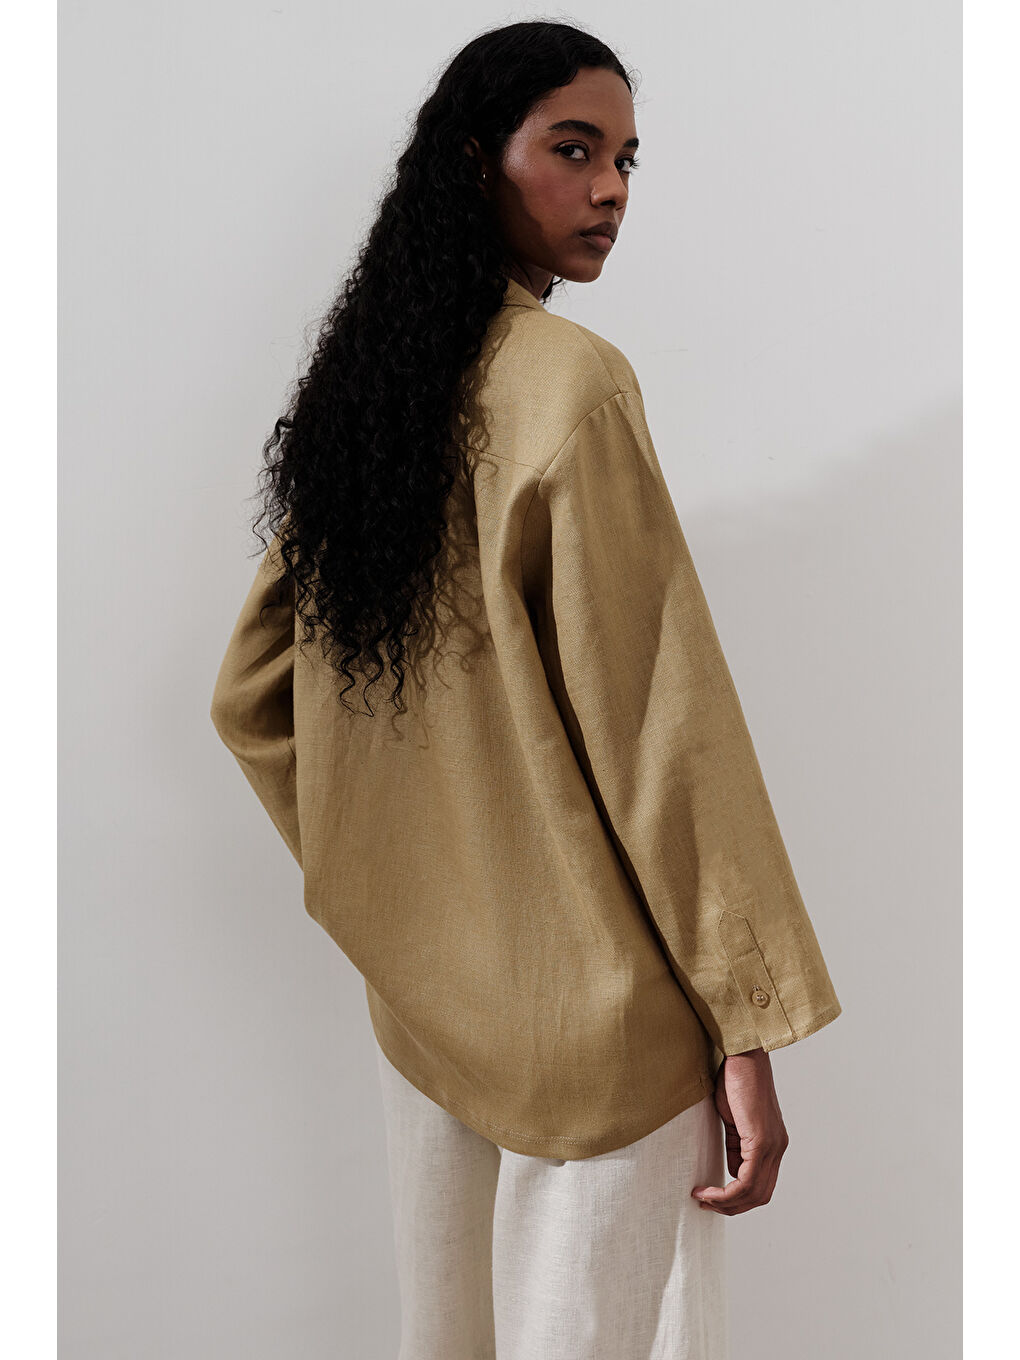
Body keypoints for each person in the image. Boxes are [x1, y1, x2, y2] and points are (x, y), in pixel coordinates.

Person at [210, 20, 842, 1360]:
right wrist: (746, 1026)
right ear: (472, 162)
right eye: (572, 149)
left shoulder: (373, 392)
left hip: (428, 1013)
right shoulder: (572, 388)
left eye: (625, 160)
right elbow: (662, 731)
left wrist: (404, 884)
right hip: (603, 1039)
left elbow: (252, 695)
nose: (610, 188)